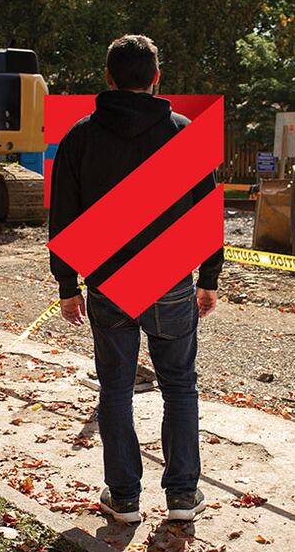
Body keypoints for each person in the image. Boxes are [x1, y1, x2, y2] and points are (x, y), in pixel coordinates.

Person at [48, 34, 223, 523]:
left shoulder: (80, 136)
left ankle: (123, 497)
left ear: (108, 77)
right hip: (169, 278)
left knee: (115, 390)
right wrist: (209, 277)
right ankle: (184, 496)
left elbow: (63, 216)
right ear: (156, 77)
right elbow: (207, 213)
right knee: (180, 387)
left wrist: (67, 285)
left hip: (108, 282)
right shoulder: (184, 131)